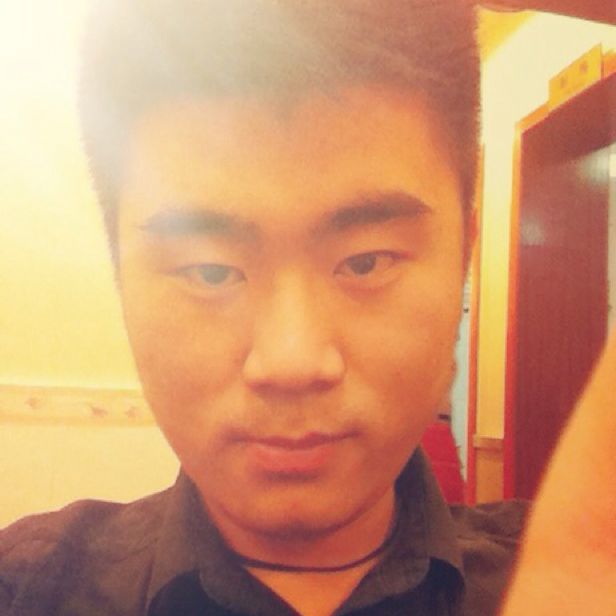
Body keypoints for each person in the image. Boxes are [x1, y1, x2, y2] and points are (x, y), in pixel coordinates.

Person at [1, 1, 613, 614]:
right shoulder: (29, 588)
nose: (291, 362)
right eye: (211, 271)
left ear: (464, 255)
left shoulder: (581, 579)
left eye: (366, 262)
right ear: (120, 271)